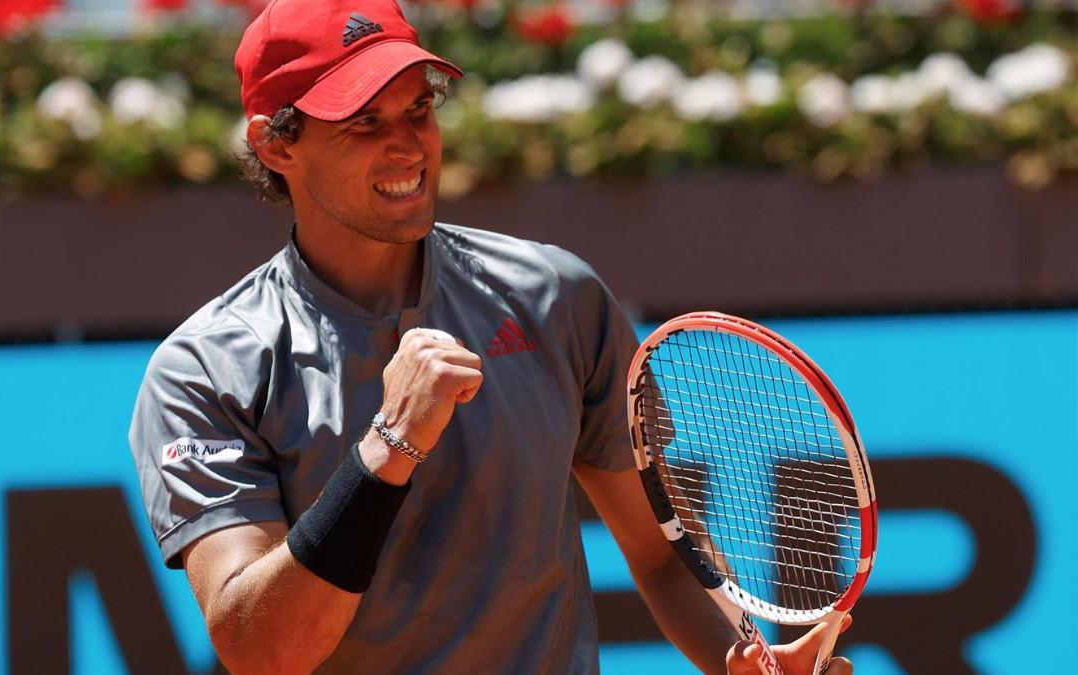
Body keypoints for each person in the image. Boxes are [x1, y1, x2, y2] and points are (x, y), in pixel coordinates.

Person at [128, 0, 855, 672]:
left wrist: (750, 659)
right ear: (275, 144)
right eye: (364, 123)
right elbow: (261, 650)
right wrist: (388, 446)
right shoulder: (205, 369)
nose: (408, 146)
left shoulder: (555, 296)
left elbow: (663, 554)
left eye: (418, 109)